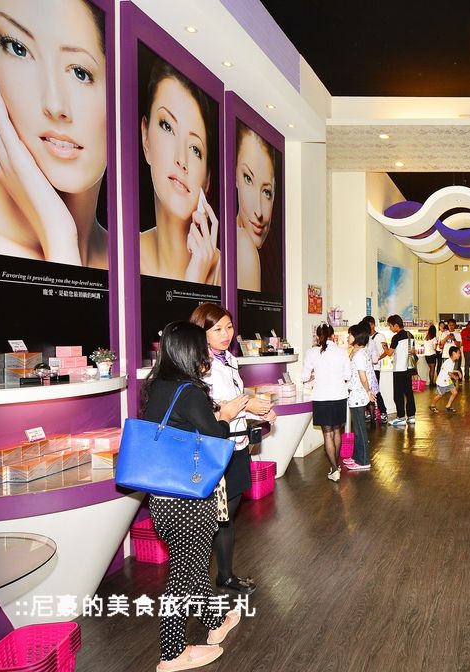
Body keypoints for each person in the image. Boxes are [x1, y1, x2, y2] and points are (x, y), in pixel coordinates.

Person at [141, 321, 243, 672]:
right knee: (183, 576)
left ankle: (214, 621)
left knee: (194, 566)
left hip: (163, 498)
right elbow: (215, 435)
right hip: (190, 499)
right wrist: (225, 416)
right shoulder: (190, 392)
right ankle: (171, 653)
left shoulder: (157, 386)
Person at [0, 0, 109, 266]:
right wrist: (58, 233)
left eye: (80, 73)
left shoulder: (133, 259)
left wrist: (59, 239)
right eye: (18, 49)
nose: (54, 105)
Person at [190, 303, 275, 596]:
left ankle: (225, 575)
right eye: (217, 329)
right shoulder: (200, 366)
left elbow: (235, 400)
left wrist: (257, 410)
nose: (225, 334)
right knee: (215, 518)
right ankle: (202, 580)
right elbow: (211, 408)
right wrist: (248, 404)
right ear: (202, 332)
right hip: (215, 448)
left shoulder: (229, 360)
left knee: (228, 514)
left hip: (237, 445)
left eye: (228, 327)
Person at [139, 58, 219, 284]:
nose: (182, 160)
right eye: (168, 127)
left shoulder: (226, 271)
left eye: (195, 149)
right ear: (145, 137)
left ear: (207, 180)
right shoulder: (116, 256)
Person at [302, 323, 351, 482]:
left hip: (321, 397)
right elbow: (347, 376)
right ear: (332, 335)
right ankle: (335, 467)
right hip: (339, 395)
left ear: (318, 336)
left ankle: (334, 469)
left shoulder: (311, 352)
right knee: (337, 431)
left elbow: (304, 377)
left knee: (327, 433)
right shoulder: (342, 352)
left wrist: (314, 376)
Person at [234, 122, 276, 292]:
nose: (258, 211)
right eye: (248, 179)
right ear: (234, 176)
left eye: (266, 192)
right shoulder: (243, 245)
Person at [344, 324, 374, 471]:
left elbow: (363, 377)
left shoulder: (360, 355)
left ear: (357, 337)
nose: (348, 337)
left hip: (358, 395)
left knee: (360, 429)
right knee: (358, 429)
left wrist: (368, 391)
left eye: (350, 334)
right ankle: (357, 457)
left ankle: (363, 461)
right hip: (357, 395)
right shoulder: (360, 352)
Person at [386, 314, 416, 428]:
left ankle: (401, 417)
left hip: (399, 369)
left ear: (396, 325)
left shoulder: (396, 337)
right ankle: (411, 416)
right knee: (409, 393)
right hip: (408, 368)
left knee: (398, 394)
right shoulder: (410, 335)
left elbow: (389, 353)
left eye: (390, 326)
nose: (390, 328)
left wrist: (385, 347)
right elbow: (413, 351)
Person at [362, 316, 391, 423]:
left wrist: (377, 358)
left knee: (375, 391)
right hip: (366, 368)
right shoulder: (364, 337)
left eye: (369, 325)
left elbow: (386, 352)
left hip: (375, 368)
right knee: (366, 391)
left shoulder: (380, 336)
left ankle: (383, 412)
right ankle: (370, 413)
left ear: (373, 324)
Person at [431, 346, 461, 413]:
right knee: (440, 395)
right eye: (458, 353)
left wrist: (457, 371)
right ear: (454, 353)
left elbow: (449, 370)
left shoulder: (451, 361)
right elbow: (449, 373)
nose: (459, 354)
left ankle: (448, 406)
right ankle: (432, 405)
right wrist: (455, 377)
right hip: (442, 381)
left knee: (454, 392)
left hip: (447, 381)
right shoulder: (449, 362)